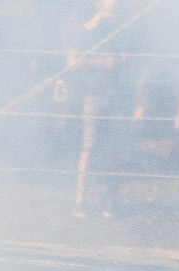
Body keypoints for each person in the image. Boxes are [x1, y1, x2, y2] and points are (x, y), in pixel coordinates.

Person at [61, 0, 127, 218]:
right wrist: (101, 61)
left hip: (113, 95)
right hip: (93, 95)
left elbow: (122, 57)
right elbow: (74, 60)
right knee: (88, 149)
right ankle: (80, 202)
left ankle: (110, 202)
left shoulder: (112, 29)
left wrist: (117, 58)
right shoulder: (82, 29)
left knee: (112, 151)